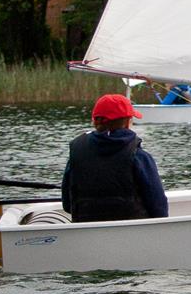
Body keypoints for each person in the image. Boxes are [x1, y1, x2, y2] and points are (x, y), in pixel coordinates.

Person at [61, 93, 169, 221]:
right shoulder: (138, 155)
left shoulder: (77, 152)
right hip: (133, 231)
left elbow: (67, 204)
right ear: (127, 123)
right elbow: (158, 206)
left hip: (87, 231)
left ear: (95, 121)